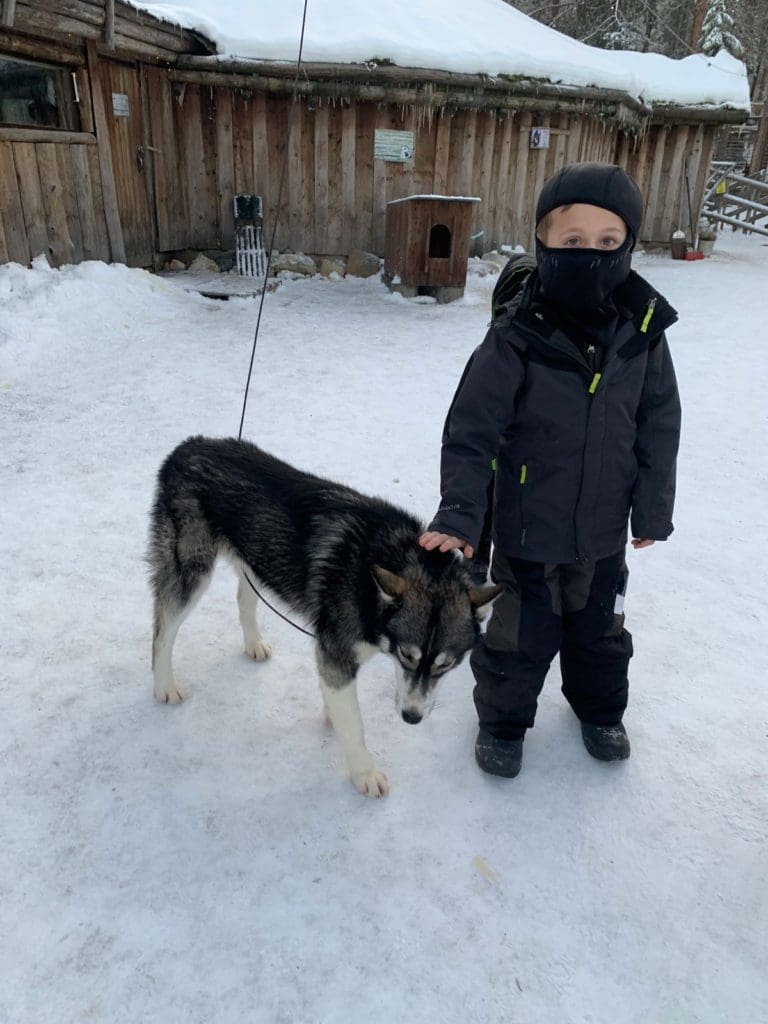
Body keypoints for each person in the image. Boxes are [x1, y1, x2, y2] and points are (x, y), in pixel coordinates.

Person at [419, 162, 681, 778]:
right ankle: (504, 724)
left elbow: (659, 422)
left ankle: (600, 711)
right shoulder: (516, 336)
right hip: (524, 533)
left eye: (607, 243)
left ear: (628, 247)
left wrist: (652, 506)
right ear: (543, 243)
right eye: (572, 242)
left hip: (601, 533)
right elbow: (470, 432)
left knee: (600, 636)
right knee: (516, 639)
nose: (590, 254)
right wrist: (459, 511)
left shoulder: (643, 332)